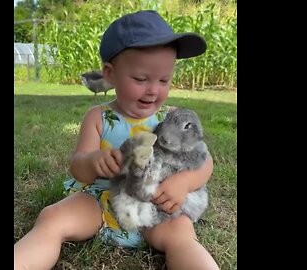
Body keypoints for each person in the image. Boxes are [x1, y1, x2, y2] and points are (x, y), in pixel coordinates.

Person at [14, 10, 219, 270]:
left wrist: (184, 182)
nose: (154, 89)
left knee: (182, 234)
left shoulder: (174, 118)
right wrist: (93, 161)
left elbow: (204, 161)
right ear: (110, 73)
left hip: (155, 208)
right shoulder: (98, 117)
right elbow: (77, 165)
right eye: (141, 79)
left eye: (164, 80)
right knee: (52, 217)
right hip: (100, 200)